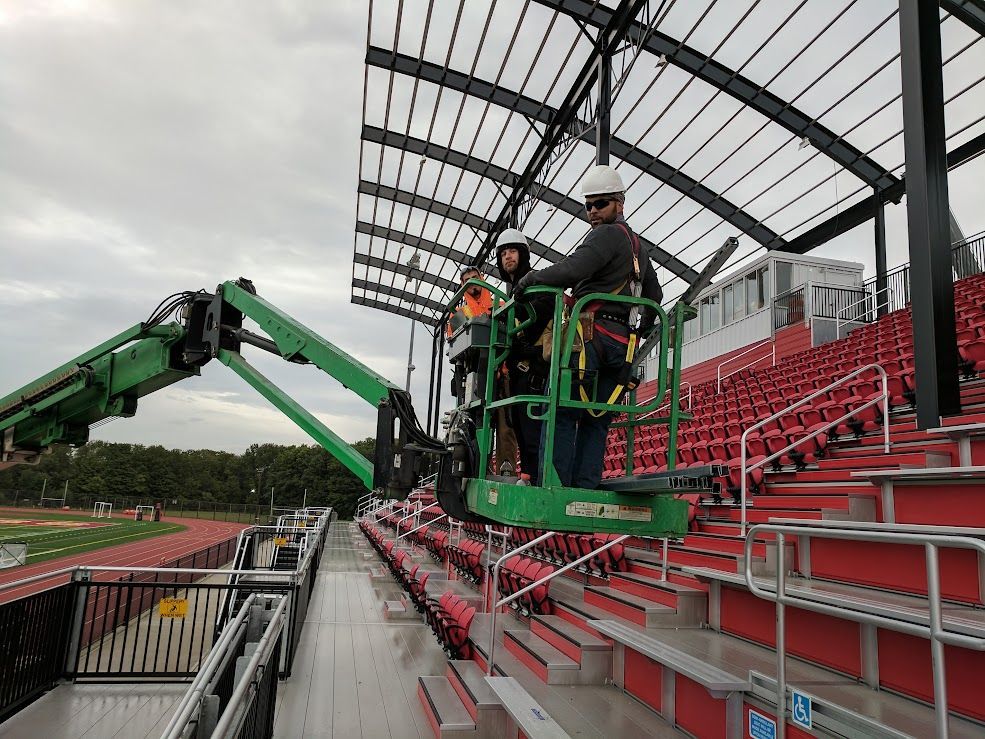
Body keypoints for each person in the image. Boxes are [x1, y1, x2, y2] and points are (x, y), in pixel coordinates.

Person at [515, 164, 662, 489]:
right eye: (589, 204)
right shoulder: (638, 246)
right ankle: (584, 486)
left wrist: (531, 277)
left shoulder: (606, 234)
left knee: (564, 412)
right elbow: (656, 295)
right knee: (598, 418)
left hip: (588, 335)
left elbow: (573, 268)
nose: (593, 211)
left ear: (619, 204)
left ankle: (552, 486)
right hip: (621, 344)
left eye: (601, 203)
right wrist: (636, 340)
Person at [495, 228, 552, 484]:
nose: (508, 257)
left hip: (534, 367)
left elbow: (545, 307)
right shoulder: (511, 291)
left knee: (531, 425)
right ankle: (528, 473)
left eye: (513, 251)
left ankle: (537, 476)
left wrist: (528, 343)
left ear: (524, 254)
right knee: (518, 422)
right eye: (503, 253)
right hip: (517, 367)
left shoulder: (535, 281)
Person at [447, 266, 493, 337]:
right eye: (467, 280)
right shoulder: (457, 313)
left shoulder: (501, 305)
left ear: (481, 279)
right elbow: (454, 343)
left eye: (475, 278)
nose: (472, 282)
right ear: (463, 285)